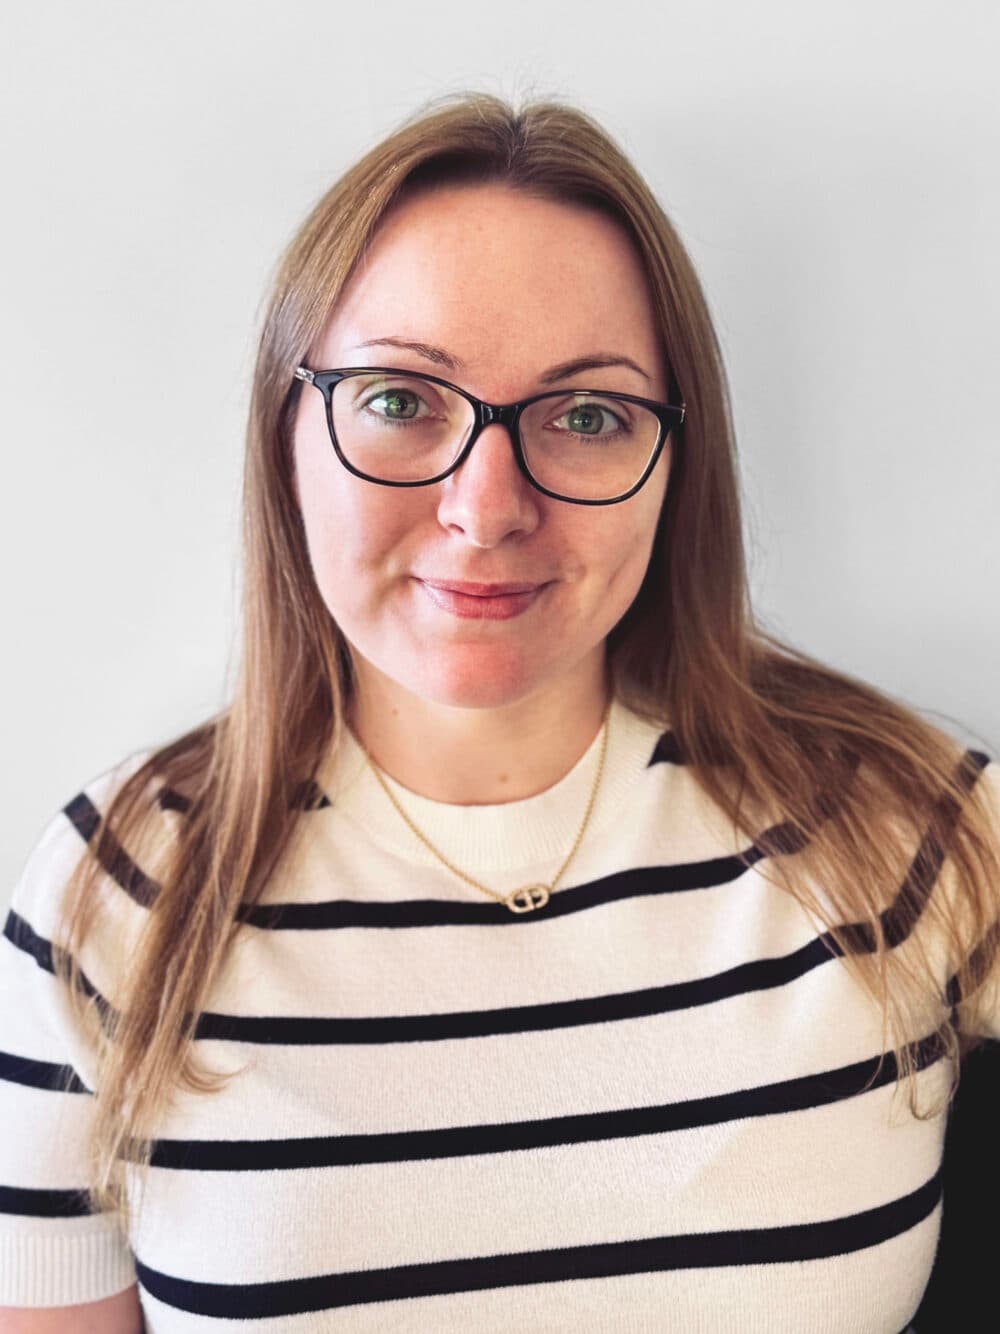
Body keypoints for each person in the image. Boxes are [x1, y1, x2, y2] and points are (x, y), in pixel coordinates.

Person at [0, 92, 997, 1334]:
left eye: (586, 416)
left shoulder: (912, 823)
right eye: (399, 399)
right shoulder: (119, 889)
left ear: (676, 461)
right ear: (285, 431)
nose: (486, 507)